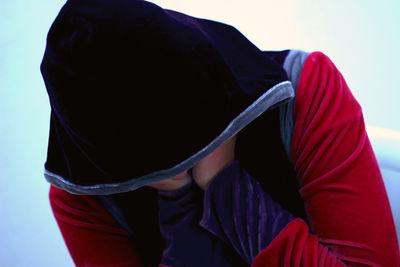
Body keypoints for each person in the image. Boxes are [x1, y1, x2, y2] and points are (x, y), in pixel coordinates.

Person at [41, 0, 400, 266]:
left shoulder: (307, 89)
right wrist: (178, 201)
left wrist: (225, 185)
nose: (173, 167)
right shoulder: (81, 194)